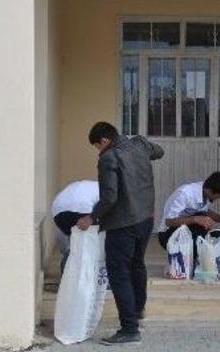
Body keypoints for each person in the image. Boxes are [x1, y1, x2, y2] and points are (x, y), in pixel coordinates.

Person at [76, 122, 163, 346]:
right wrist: (143, 147)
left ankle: (129, 329)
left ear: (104, 141)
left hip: (123, 224)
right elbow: (159, 151)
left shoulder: (109, 158)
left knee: (119, 274)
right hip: (146, 219)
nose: (98, 150)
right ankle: (138, 311)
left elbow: (110, 197)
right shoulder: (140, 145)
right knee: (137, 265)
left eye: (97, 146)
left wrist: (91, 217)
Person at [156, 172, 220, 258]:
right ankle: (190, 260)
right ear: (210, 191)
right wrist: (196, 219)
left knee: (218, 236)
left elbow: (205, 211)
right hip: (168, 234)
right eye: (217, 197)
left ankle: (205, 261)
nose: (217, 199)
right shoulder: (185, 193)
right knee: (201, 243)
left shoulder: (204, 191)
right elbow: (169, 222)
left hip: (187, 228)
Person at [51, 180, 99, 273]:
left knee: (74, 245)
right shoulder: (109, 189)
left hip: (58, 210)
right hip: (83, 208)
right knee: (90, 246)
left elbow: (60, 235)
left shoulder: (91, 186)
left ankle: (67, 264)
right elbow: (106, 204)